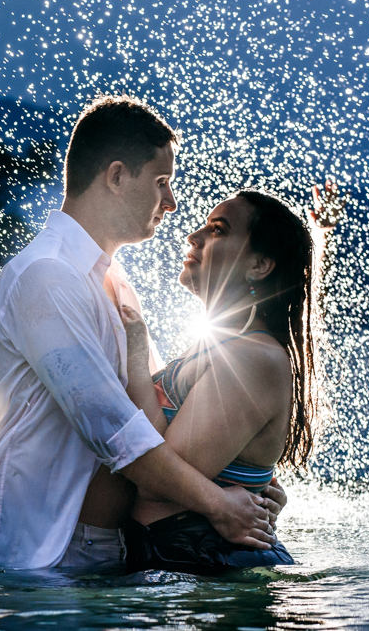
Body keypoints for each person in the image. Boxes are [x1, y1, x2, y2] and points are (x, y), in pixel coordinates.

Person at [0, 95, 283, 571]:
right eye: (161, 183)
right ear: (115, 177)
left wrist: (250, 481)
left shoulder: (111, 279)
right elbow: (116, 431)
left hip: (104, 554)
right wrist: (219, 504)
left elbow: (158, 411)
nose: (171, 203)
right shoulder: (46, 276)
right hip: (35, 554)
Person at [120, 185, 342, 573]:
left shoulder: (251, 358)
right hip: (187, 562)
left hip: (206, 565)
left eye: (218, 229)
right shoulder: (221, 347)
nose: (194, 236)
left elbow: (156, 481)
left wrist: (136, 361)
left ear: (259, 266)